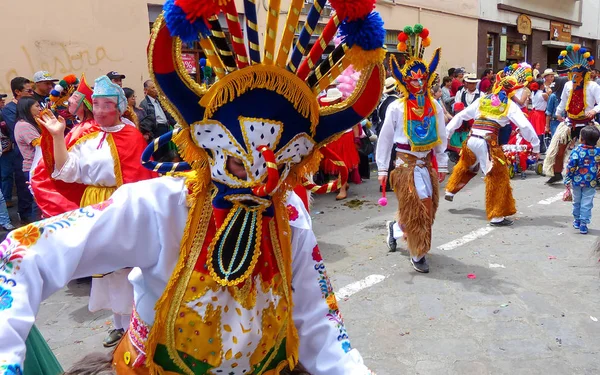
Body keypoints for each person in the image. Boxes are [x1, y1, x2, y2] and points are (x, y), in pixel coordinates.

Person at [0, 0, 386, 372]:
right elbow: (22, 254)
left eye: (280, 167)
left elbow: (320, 323)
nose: (262, 182)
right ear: (209, 145)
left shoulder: (289, 216)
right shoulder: (160, 205)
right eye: (240, 161)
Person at [36, 75, 157, 348]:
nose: (101, 110)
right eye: (97, 104)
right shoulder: (85, 136)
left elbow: (142, 176)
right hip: (95, 205)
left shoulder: (132, 136)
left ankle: (135, 324)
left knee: (128, 268)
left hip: (124, 205)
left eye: (107, 105)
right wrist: (57, 136)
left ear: (120, 108)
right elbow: (65, 171)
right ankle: (118, 324)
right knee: (107, 270)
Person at [377, 25, 447, 273]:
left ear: (428, 79)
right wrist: (382, 170)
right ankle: (417, 253)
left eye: (422, 78)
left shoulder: (434, 106)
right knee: (419, 208)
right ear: (404, 80)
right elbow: (385, 139)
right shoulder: (396, 107)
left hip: (425, 165)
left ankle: (395, 230)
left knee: (426, 210)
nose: (418, 82)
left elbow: (441, 135)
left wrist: (443, 162)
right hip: (405, 166)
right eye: (413, 79)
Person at [445, 63, 540, 226]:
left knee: (465, 164)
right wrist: (536, 146)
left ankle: (450, 189)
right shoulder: (508, 105)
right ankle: (496, 216)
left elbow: (460, 116)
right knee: (497, 176)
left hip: (471, 140)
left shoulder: (483, 100)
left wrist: (447, 133)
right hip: (487, 143)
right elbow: (524, 126)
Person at [30, 74, 96, 218]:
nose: (68, 101)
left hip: (87, 189)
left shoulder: (86, 129)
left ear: (83, 105)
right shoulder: (81, 126)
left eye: (73, 98)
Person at [544, 44, 600, 184]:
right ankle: (557, 173)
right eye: (573, 74)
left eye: (579, 74)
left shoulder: (593, 86)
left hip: (587, 123)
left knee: (594, 150)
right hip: (570, 122)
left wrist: (593, 110)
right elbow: (562, 101)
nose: (576, 77)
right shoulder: (568, 85)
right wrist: (557, 113)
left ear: (585, 73)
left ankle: (597, 176)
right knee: (558, 148)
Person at [1, 77, 35, 223]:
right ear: (17, 92)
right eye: (28, 90)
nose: (32, 93)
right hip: (20, 152)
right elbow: (15, 128)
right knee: (23, 186)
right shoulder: (9, 110)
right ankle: (25, 217)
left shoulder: (31, 105)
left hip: (33, 153)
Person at [319, 88, 361, 200]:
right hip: (333, 139)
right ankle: (343, 183)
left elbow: (355, 124)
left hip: (346, 138)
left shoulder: (347, 108)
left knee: (344, 163)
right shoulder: (327, 109)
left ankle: (342, 189)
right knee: (336, 163)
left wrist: (356, 139)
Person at [564, 126, 600, 234]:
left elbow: (571, 166)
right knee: (587, 202)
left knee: (577, 201)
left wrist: (567, 179)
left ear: (582, 139)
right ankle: (584, 224)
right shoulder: (598, 151)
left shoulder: (577, 150)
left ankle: (577, 220)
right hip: (591, 182)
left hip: (577, 181)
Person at [140, 79, 177, 158]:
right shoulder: (144, 104)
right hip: (157, 130)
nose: (156, 90)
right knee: (159, 154)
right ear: (146, 90)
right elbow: (146, 123)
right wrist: (151, 136)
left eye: (156, 87)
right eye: (153, 88)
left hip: (166, 128)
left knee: (168, 153)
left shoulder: (160, 101)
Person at [528, 79, 549, 153]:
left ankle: (536, 148)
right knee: (540, 131)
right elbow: (549, 100)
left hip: (534, 113)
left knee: (535, 130)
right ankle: (541, 148)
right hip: (540, 114)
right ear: (542, 85)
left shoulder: (533, 93)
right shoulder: (543, 94)